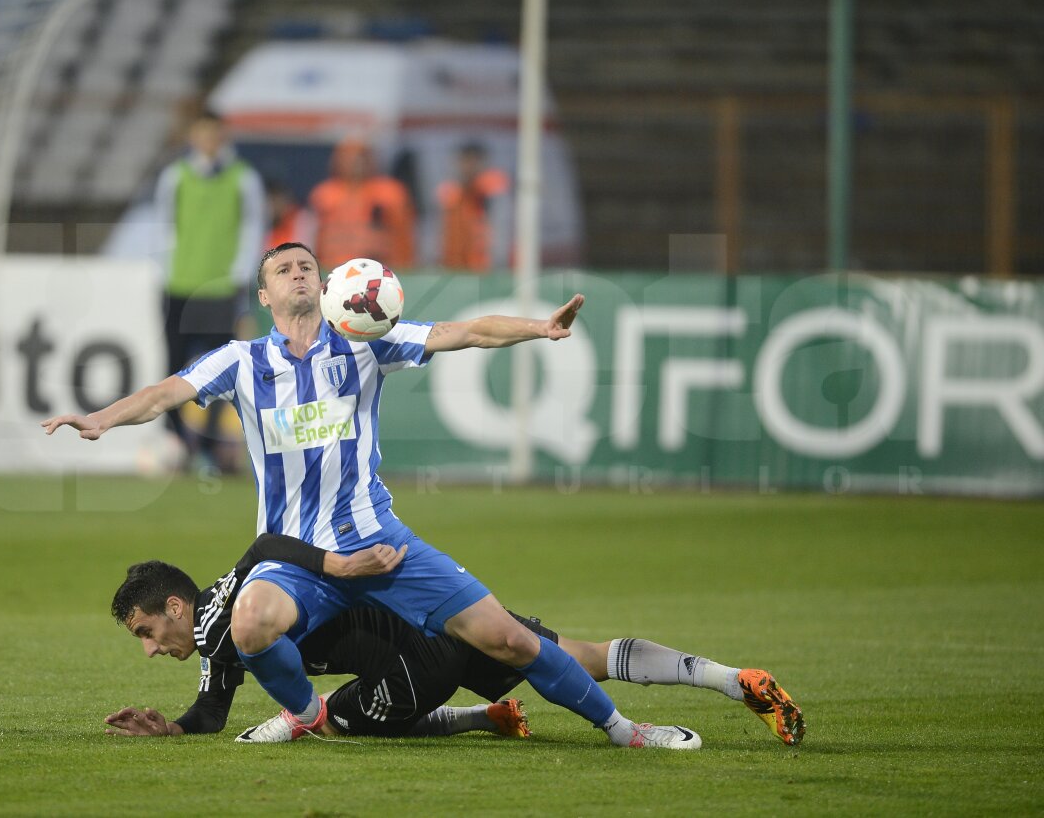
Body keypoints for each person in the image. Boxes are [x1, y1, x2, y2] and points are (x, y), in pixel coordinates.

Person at [42, 241, 806, 750]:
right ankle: (304, 717)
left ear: (330, 283)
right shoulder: (243, 361)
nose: (300, 272)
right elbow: (168, 391)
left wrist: (540, 329)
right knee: (250, 618)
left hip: (386, 546)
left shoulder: (367, 342)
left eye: (309, 264)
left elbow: (465, 333)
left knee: (511, 641)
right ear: (267, 294)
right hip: (303, 560)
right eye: (285, 269)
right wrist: (103, 420)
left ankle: (626, 732)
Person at [103, 535, 802, 748]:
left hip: (411, 662)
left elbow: (216, 708)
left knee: (328, 725)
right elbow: (212, 708)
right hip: (437, 611)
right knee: (578, 655)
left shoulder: (223, 629)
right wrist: (175, 726)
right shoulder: (240, 590)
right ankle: (730, 677)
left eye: (145, 631)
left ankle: (479, 718)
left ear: (174, 606)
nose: (149, 647)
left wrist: (175, 731)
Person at [155, 110, 266, 472]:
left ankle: (211, 445)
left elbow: (253, 227)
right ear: (192, 136)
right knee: (173, 364)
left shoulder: (243, 179)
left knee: (222, 369)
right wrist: (166, 271)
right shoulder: (175, 178)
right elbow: (164, 227)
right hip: (180, 285)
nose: (208, 140)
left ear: (223, 136)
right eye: (202, 133)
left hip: (220, 287)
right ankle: (174, 440)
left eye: (214, 133)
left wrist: (239, 275)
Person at [308, 138, 415, 271]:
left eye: (361, 156)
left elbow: (403, 236)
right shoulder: (324, 194)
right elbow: (314, 238)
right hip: (334, 269)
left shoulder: (389, 193)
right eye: (350, 156)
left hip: (378, 269)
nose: (356, 161)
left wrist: (404, 267)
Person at [435, 141, 512, 272]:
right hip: (455, 269)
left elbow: (501, 234)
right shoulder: (451, 194)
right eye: (465, 161)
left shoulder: (490, 192)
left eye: (473, 161)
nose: (468, 167)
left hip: (485, 270)